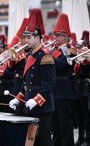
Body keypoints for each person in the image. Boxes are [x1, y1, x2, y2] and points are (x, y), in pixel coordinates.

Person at [9, 9, 56, 146]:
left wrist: (36, 100)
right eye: (26, 37)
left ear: (38, 37)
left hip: (42, 106)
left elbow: (49, 85)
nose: (26, 41)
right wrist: (18, 98)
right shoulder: (30, 55)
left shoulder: (45, 56)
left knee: (44, 140)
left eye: (29, 38)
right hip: (29, 104)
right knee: (31, 141)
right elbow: (27, 83)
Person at [51, 13, 77, 146]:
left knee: (65, 125)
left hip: (65, 92)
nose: (55, 37)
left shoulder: (69, 50)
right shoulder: (53, 51)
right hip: (54, 92)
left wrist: (48, 56)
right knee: (55, 125)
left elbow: (61, 64)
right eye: (55, 35)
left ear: (66, 36)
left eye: (58, 35)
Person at [73, 31, 90, 146]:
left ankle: (87, 139)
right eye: (77, 48)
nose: (78, 50)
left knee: (86, 115)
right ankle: (80, 137)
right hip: (77, 89)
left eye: (80, 48)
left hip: (85, 89)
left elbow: (86, 73)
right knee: (79, 115)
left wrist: (82, 63)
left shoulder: (87, 58)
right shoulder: (76, 58)